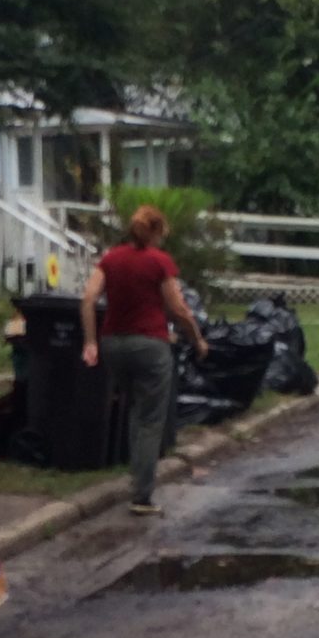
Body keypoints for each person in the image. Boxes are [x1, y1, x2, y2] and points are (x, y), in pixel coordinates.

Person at [81, 204, 209, 516]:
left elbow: (88, 298)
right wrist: (197, 338)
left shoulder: (111, 259)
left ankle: (136, 474)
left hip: (113, 344)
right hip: (150, 346)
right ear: (155, 232)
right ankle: (142, 495)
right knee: (150, 419)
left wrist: (90, 341)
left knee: (136, 411)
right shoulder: (159, 261)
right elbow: (178, 309)